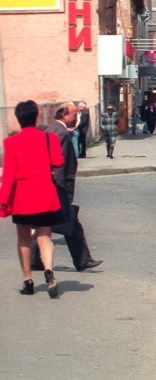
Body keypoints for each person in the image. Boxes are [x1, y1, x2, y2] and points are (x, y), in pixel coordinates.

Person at [0, 100, 64, 297]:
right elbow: (58, 161)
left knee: (23, 238)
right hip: (45, 195)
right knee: (45, 236)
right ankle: (49, 270)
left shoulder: (11, 143)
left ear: (18, 119)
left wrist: (3, 200)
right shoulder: (49, 138)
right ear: (36, 117)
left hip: (22, 198)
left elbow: (9, 174)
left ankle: (28, 280)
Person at [41, 103, 102, 273]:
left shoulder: (51, 130)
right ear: (64, 115)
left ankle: (35, 259)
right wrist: (62, 191)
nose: (76, 119)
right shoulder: (61, 133)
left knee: (44, 224)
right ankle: (83, 260)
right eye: (74, 115)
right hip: (59, 187)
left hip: (50, 185)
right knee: (71, 223)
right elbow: (59, 165)